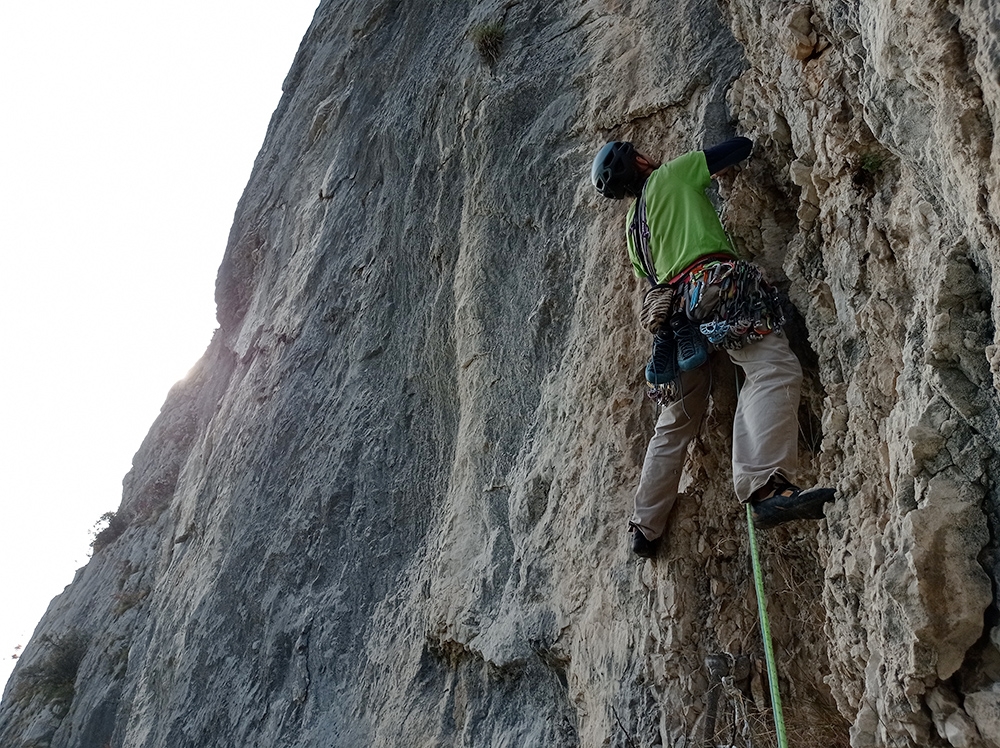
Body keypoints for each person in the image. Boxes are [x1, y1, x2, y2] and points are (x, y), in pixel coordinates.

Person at [590, 138, 835, 558]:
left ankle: (645, 528)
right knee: (769, 369)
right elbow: (737, 148)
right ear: (642, 160)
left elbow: (652, 280)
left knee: (676, 422)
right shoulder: (671, 174)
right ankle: (766, 489)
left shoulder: (632, 230)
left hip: (673, 322)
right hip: (714, 290)